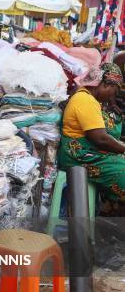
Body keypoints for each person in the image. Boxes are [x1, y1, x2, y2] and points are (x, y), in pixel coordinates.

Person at [58, 62, 125, 204]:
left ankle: (111, 208)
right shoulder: (85, 100)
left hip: (86, 154)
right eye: (115, 90)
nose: (114, 95)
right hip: (78, 157)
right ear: (106, 84)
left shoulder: (89, 98)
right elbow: (100, 139)